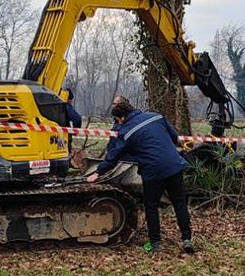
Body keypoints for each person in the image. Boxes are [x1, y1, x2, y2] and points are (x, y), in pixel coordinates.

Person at [87, 95, 194, 254]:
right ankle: (186, 239)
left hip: (153, 172)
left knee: (151, 206)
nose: (118, 123)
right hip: (174, 166)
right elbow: (174, 138)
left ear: (122, 117)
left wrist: (98, 172)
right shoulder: (156, 116)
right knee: (179, 203)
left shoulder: (126, 132)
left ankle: (155, 243)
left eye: (118, 120)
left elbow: (113, 157)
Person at [65, 88, 83, 159]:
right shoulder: (66, 106)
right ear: (69, 99)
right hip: (64, 137)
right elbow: (77, 119)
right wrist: (75, 131)